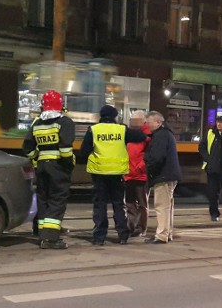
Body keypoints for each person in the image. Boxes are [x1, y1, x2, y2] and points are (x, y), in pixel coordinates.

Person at [80, 104, 147, 245]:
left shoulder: (93, 130)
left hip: (99, 174)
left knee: (100, 206)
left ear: (101, 116)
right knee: (118, 204)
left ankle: (99, 237)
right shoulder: (122, 130)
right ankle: (123, 235)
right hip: (117, 174)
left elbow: (83, 152)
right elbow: (141, 136)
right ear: (115, 116)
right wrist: (134, 125)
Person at [22, 90, 75, 249]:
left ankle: (42, 235)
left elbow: (27, 147)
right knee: (57, 200)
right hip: (58, 166)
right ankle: (51, 239)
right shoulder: (64, 122)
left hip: (42, 166)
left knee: (43, 199)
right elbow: (65, 147)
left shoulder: (37, 122)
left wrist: (37, 158)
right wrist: (67, 165)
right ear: (61, 105)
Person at [144, 111, 182, 244]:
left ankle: (161, 235)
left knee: (161, 206)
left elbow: (157, 157)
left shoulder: (161, 135)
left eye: (149, 122)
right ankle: (167, 233)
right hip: (169, 174)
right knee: (167, 206)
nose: (147, 124)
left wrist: (148, 167)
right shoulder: (166, 134)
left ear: (158, 122)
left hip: (163, 175)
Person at [124, 110, 151, 237]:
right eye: (132, 120)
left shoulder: (148, 135)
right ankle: (131, 226)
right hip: (128, 174)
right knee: (129, 203)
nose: (133, 122)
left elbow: (150, 155)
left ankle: (142, 228)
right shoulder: (129, 134)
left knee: (141, 204)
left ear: (143, 121)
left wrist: (142, 167)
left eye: (136, 120)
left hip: (141, 175)